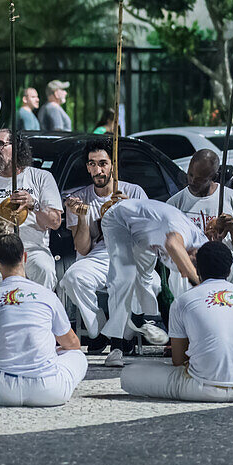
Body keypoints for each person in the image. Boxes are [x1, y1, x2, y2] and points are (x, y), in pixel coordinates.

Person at [120, 242, 233, 402]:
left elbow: (178, 360)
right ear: (230, 269)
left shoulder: (183, 301)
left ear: (196, 268)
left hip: (200, 388)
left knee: (129, 374)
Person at [0, 233, 88, 406]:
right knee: (78, 356)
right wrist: (54, 352)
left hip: (1, 390)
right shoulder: (47, 295)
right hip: (49, 390)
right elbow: (72, 343)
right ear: (24, 256)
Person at [59, 138, 151, 359]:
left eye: (102, 163)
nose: (97, 170)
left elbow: (148, 237)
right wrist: (82, 217)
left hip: (130, 254)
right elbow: (82, 247)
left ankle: (124, 338)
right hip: (98, 255)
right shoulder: (80, 197)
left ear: (113, 165)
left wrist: (131, 208)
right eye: (92, 164)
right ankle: (99, 331)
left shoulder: (134, 191)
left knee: (135, 282)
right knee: (72, 277)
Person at [0, 130, 62, 318]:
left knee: (45, 269)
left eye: (0, 144)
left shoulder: (41, 178)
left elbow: (55, 222)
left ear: (17, 147)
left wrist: (33, 204)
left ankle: (41, 324)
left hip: (30, 250)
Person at [100, 197, 207, 346]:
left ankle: (138, 324)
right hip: (118, 220)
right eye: (189, 265)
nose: (184, 270)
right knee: (126, 275)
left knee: (146, 279)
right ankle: (116, 345)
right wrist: (198, 282)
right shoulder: (183, 233)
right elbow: (172, 244)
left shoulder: (203, 254)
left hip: (145, 234)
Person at [166, 150, 233, 310]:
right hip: (195, 266)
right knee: (179, 273)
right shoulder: (175, 203)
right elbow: (170, 249)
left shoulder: (232, 198)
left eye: (199, 179)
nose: (191, 181)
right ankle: (184, 327)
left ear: (214, 177)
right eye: (190, 175)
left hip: (227, 264)